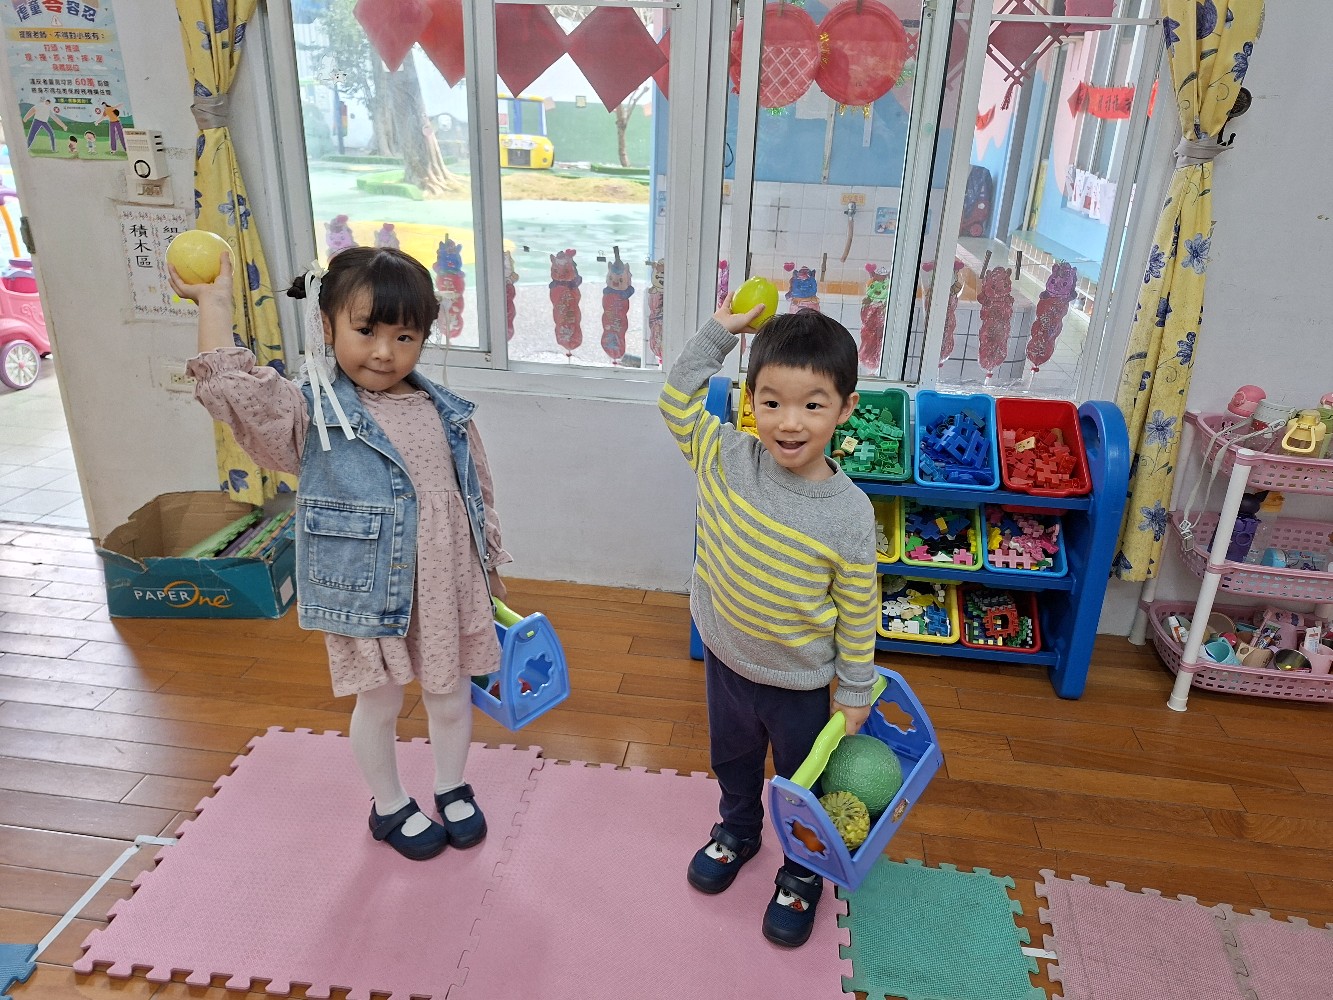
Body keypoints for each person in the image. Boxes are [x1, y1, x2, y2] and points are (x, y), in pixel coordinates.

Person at [170, 246, 511, 862]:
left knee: (450, 692)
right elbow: (237, 393)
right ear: (326, 327)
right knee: (379, 699)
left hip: (447, 581)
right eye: (366, 331)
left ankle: (451, 785)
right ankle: (389, 805)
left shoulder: (445, 411)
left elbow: (476, 490)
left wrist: (488, 566)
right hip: (367, 588)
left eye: (404, 336)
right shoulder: (311, 409)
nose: (384, 352)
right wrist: (214, 303)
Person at [658, 296, 879, 947]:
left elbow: (858, 608)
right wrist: (720, 331)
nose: (789, 422)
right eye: (772, 401)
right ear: (750, 400)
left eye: (812, 404)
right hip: (726, 660)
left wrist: (855, 689)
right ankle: (737, 831)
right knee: (731, 759)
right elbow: (674, 399)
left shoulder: (849, 514)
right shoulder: (724, 456)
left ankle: (802, 870)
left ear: (845, 409)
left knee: (800, 783)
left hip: (800, 684)